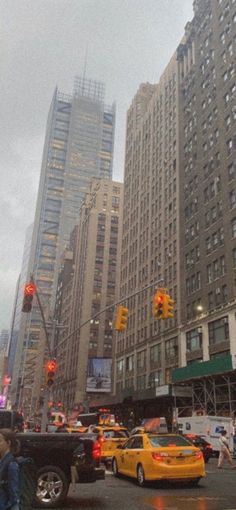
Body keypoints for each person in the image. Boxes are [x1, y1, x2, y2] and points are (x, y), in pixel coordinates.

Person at [0, 428, 20, 510]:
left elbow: (13, 491)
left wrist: (8, 505)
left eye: (0, 441)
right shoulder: (2, 460)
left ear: (8, 443)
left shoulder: (11, 463)